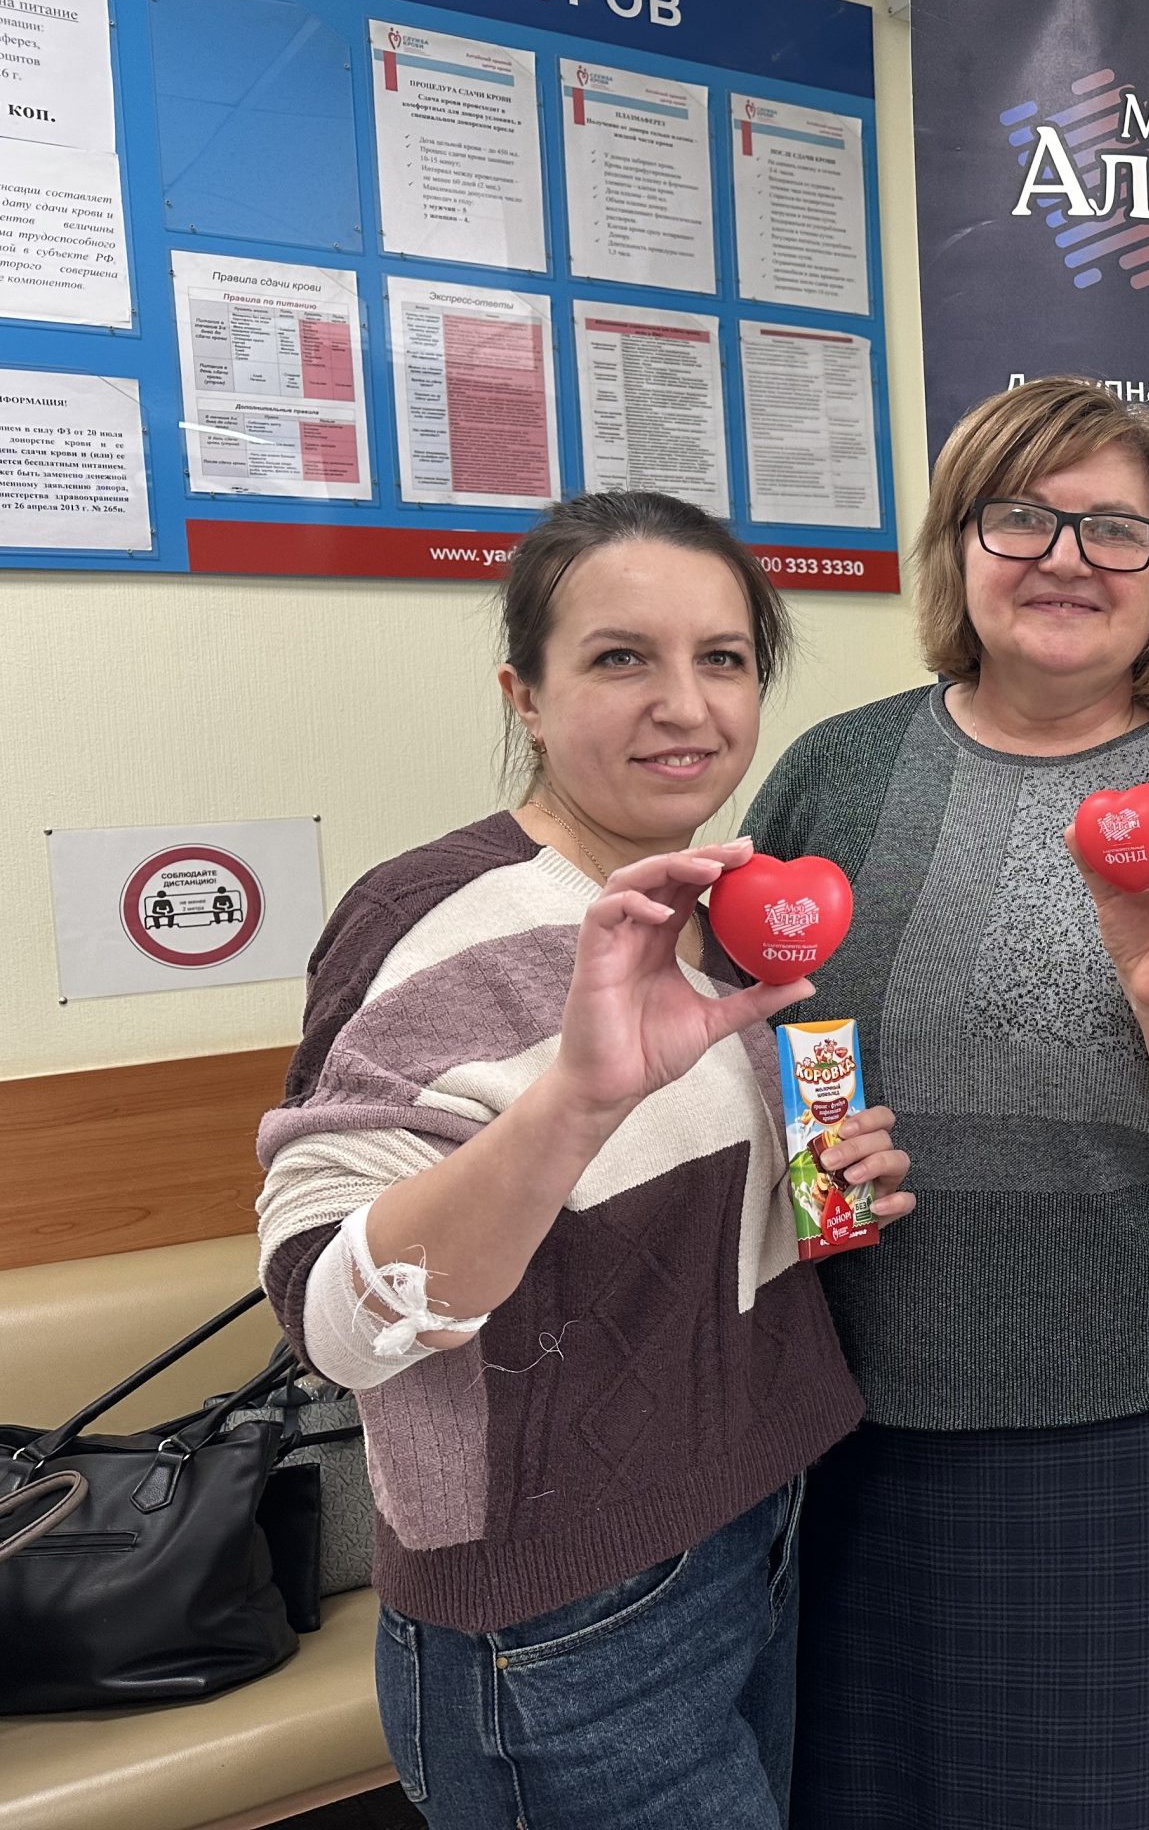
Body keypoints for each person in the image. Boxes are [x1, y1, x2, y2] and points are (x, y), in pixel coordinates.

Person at [748, 377, 1149, 1830]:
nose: (1067, 559)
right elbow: (744, 1051)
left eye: (1115, 530)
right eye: (1021, 518)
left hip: (1143, 1430)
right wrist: (795, 1155)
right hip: (855, 1425)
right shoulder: (836, 772)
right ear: (957, 548)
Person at [254, 492, 913, 1830]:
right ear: (528, 698)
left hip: (760, 1526)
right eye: (621, 658)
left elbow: (657, 1230)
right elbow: (335, 1322)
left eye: (723, 658)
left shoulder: (729, 910)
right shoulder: (429, 918)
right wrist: (574, 1100)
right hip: (556, 1621)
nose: (686, 705)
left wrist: (817, 1193)